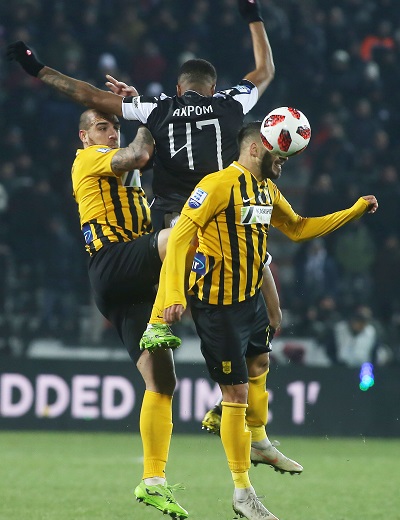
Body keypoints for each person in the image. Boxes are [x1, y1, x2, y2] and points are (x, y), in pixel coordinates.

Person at [6, 0, 300, 492]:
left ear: (179, 88)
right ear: (211, 88)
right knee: (269, 311)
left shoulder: (157, 109)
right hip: (213, 225)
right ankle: (238, 408)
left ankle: (222, 417)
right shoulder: (232, 102)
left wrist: (36, 68)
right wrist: (252, 13)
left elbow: (85, 93)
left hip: (178, 226)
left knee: (191, 330)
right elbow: (266, 68)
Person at [141, 121, 378, 519]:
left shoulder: (266, 190)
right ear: (254, 149)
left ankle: (259, 440)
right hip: (218, 308)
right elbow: (180, 236)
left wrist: (352, 212)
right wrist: (174, 295)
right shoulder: (216, 185)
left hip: (249, 300)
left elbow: (297, 228)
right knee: (235, 395)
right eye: (278, 157)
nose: (282, 165)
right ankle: (242, 492)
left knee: (260, 364)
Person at [68, 108, 188, 519]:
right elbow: (139, 154)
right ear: (84, 136)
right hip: (113, 261)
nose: (111, 134)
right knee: (181, 234)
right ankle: (167, 316)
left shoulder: (125, 176)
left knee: (163, 381)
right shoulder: (90, 158)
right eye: (102, 128)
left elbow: (143, 161)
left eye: (115, 127)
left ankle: (152, 480)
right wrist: (148, 116)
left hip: (128, 283)